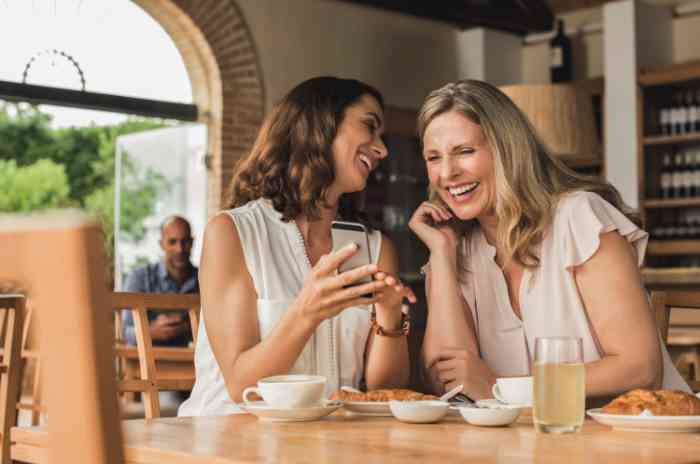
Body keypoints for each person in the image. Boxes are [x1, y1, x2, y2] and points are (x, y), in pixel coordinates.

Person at [409, 79, 689, 403]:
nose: (447, 173)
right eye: (433, 158)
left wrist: (502, 388)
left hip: (635, 437)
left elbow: (639, 368)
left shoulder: (579, 217)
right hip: (525, 445)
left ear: (507, 149)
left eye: (465, 151)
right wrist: (442, 255)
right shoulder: (456, 250)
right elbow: (447, 381)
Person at [179, 76, 415, 416]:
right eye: (369, 127)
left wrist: (390, 317)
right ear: (320, 124)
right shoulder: (233, 232)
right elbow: (240, 385)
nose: (382, 149)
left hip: (326, 444)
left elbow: (381, 393)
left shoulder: (376, 249)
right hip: (229, 438)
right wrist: (307, 312)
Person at [122, 215, 198, 347]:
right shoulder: (139, 277)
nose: (180, 249)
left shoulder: (204, 279)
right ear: (161, 244)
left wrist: (185, 327)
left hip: (190, 364)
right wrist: (150, 332)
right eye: (172, 242)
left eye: (185, 241)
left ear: (192, 243)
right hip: (144, 363)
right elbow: (124, 331)